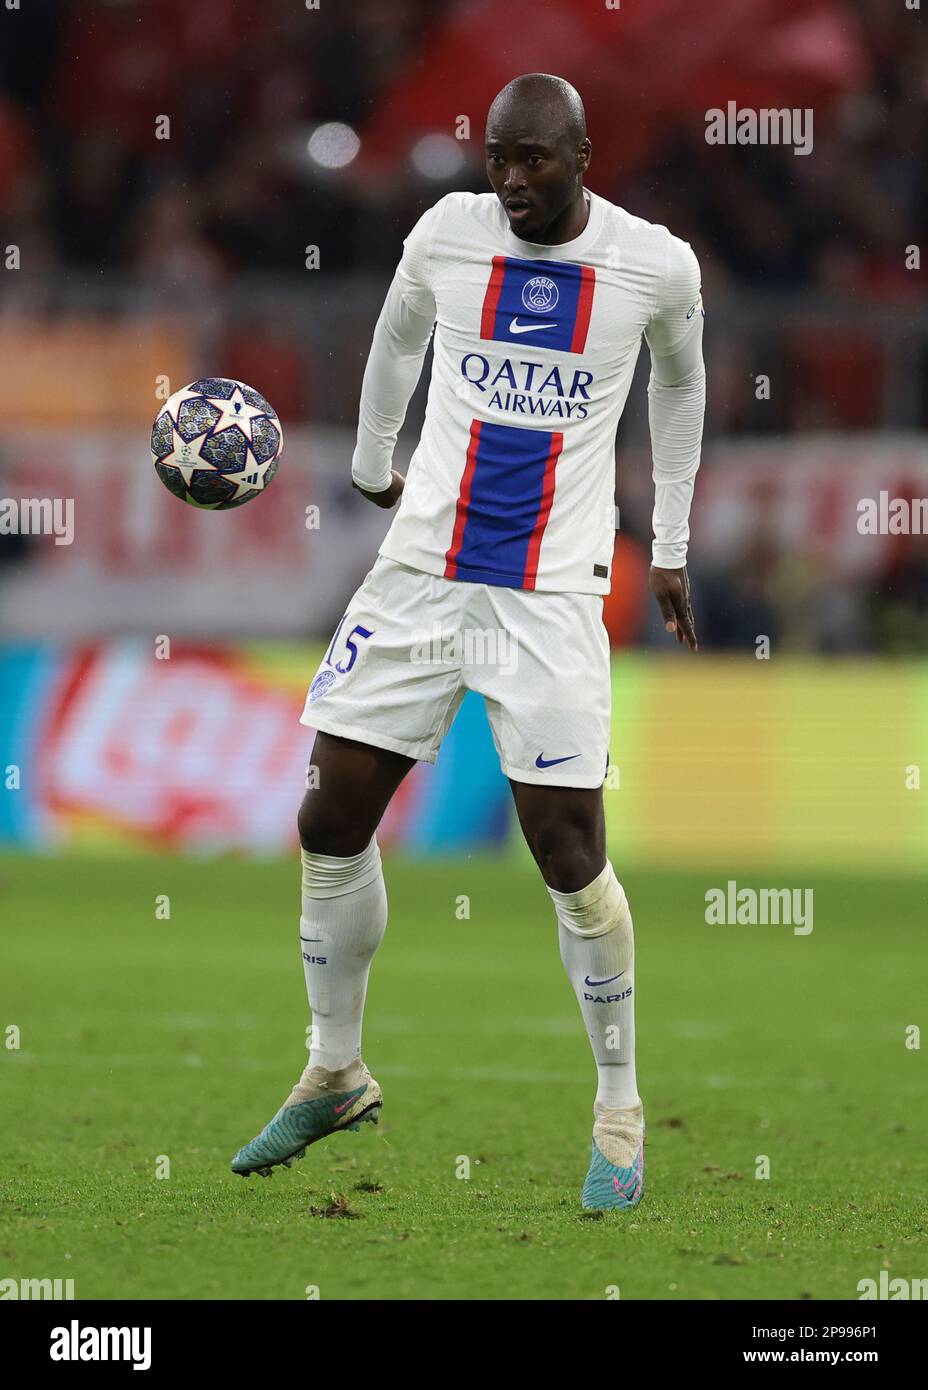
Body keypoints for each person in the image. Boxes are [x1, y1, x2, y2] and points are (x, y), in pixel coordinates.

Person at [232, 73, 705, 1210]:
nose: (512, 181)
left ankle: (620, 1111)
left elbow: (680, 391)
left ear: (583, 153)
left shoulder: (655, 264)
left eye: (534, 160)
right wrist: (368, 454)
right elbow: (396, 341)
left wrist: (675, 543)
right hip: (421, 573)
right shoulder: (448, 234)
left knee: (564, 850)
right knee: (329, 814)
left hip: (548, 589)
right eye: (497, 159)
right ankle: (335, 1068)